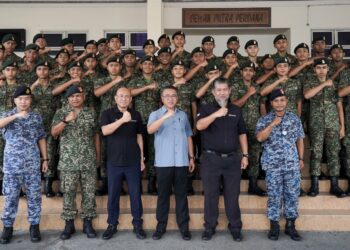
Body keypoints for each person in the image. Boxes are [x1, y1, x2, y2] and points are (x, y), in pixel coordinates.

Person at [196, 77, 248, 242]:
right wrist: (216, 114)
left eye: (224, 89)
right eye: (218, 90)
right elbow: (199, 126)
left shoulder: (236, 110)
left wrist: (245, 155)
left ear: (229, 90)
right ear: (213, 92)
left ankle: (235, 227)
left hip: (232, 160)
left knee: (232, 195)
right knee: (210, 195)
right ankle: (209, 227)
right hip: (211, 159)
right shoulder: (205, 108)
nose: (222, 92)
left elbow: (242, 133)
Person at [0, 86, 48, 244]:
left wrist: (45, 159)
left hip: (32, 164)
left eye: (26, 99)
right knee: (10, 197)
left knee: (34, 197)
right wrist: (16, 116)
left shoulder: (36, 117)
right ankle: (7, 228)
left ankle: (34, 226)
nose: (23, 101)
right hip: (12, 166)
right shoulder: (7, 115)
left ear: (30, 100)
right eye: (20, 99)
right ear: (15, 100)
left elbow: (41, 138)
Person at [51, 85, 100, 240]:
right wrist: (66, 121)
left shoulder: (91, 112)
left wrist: (98, 155)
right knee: (69, 192)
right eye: (72, 96)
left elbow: (96, 135)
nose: (75, 98)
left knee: (89, 192)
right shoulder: (61, 112)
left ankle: (88, 223)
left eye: (78, 96)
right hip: (68, 161)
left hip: (88, 159)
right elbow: (53, 133)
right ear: (68, 99)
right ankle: (69, 224)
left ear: (83, 96)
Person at [256, 88, 304, 241]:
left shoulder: (294, 119)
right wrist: (272, 125)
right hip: (273, 165)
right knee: (274, 196)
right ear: (271, 103)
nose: (279, 103)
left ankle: (291, 226)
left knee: (292, 195)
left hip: (291, 164)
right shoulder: (264, 119)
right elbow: (259, 138)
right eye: (276, 100)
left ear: (286, 101)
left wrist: (301, 158)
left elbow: (300, 139)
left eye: (282, 100)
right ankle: (274, 226)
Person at [148, 85, 195, 241]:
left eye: (173, 95)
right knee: (163, 196)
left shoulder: (183, 114)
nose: (170, 98)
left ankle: (184, 227)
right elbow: (150, 130)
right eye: (167, 96)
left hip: (181, 162)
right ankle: (160, 226)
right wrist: (165, 116)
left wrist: (191, 156)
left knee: (182, 196)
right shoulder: (155, 114)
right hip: (163, 163)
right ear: (162, 99)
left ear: (177, 97)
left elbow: (188, 135)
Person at [100, 87, 146, 240]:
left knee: (135, 194)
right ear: (115, 98)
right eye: (121, 96)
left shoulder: (136, 114)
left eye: (127, 96)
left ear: (131, 99)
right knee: (113, 195)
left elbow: (139, 136)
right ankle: (112, 224)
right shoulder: (107, 114)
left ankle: (138, 224)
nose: (124, 99)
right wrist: (122, 120)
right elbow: (105, 131)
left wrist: (142, 158)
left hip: (133, 162)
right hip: (114, 162)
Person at [304, 58, 346, 198]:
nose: (321, 70)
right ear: (314, 70)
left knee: (334, 153)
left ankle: (335, 185)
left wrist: (342, 127)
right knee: (316, 153)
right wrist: (323, 85)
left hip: (333, 123)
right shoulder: (310, 82)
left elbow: (339, 105)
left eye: (324, 67)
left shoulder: (335, 84)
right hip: (316, 124)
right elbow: (307, 95)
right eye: (318, 68)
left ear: (328, 69)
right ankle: (314, 185)